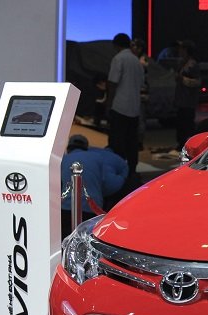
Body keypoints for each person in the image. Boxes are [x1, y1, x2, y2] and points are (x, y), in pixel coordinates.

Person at [60, 134, 127, 238]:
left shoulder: (63, 159)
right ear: (86, 147)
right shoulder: (97, 158)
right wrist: (122, 178)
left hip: (66, 208)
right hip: (92, 209)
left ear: (69, 148)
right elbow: (106, 183)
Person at [106, 33, 144, 184]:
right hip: (134, 107)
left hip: (120, 106)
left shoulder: (118, 59)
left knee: (117, 141)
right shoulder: (136, 61)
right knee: (132, 141)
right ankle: (132, 171)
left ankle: (118, 171)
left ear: (116, 45)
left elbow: (113, 83)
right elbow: (141, 83)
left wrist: (108, 104)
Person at [174, 39, 201, 152]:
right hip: (181, 99)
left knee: (187, 123)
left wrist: (182, 79)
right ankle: (181, 142)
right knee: (181, 122)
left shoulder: (192, 64)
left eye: (181, 48)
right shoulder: (182, 63)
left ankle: (189, 144)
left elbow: (197, 82)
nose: (179, 50)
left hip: (188, 99)